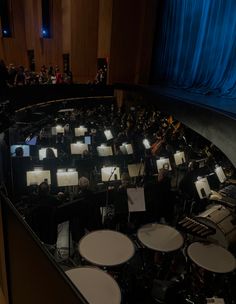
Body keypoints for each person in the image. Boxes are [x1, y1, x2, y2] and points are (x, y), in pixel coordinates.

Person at [70, 177, 102, 243]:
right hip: (92, 223)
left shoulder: (77, 197)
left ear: (79, 185)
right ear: (88, 184)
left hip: (81, 225)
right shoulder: (94, 195)